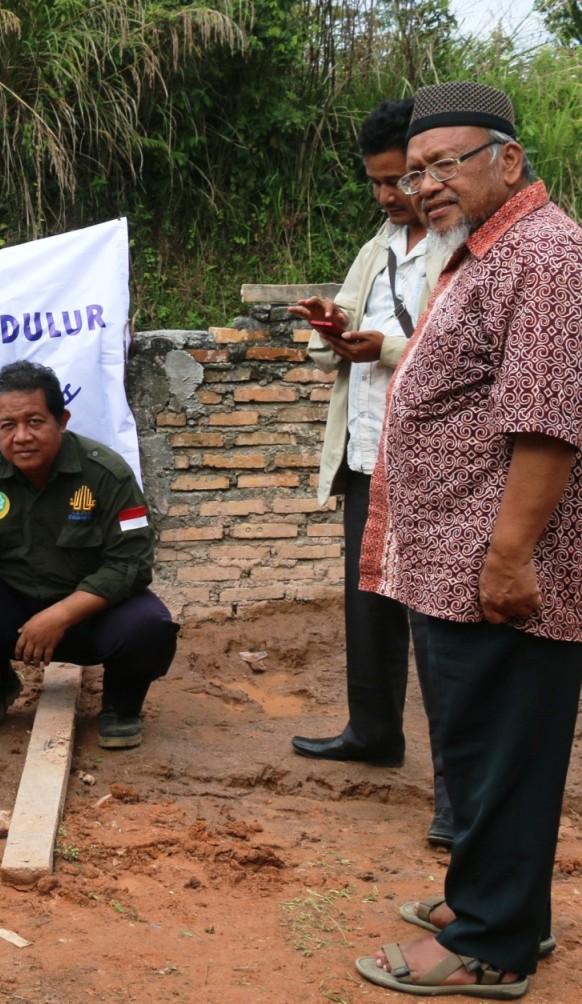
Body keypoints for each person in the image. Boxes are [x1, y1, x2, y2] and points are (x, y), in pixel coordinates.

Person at [342, 82, 582, 998]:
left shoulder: (547, 255)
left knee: (504, 745)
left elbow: (547, 423)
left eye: (447, 163)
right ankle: (501, 902)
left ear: (508, 159)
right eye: (415, 171)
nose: (427, 184)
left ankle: (492, 943)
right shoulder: (484, 250)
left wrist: (511, 555)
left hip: (500, 566)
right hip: (454, 560)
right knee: (483, 743)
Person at [288, 98, 453, 848]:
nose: (390, 196)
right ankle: (373, 730)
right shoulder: (378, 246)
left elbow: (456, 354)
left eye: (400, 180)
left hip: (436, 466)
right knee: (370, 605)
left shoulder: (464, 248)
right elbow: (341, 345)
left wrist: (378, 348)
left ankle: (458, 796)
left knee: (442, 629)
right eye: (379, 183)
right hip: (366, 455)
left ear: (431, 167)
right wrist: (331, 328)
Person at [0, 361, 179, 746]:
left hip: (90, 613)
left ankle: (121, 705)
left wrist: (59, 615)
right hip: (13, 609)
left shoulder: (106, 474)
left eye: (35, 422)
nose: (22, 436)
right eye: (8, 426)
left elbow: (130, 564)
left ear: (61, 420)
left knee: (150, 628)